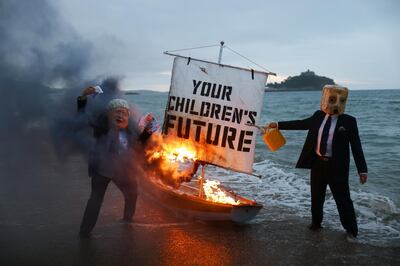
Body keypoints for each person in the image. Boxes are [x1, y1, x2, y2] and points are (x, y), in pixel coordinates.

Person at [267, 85, 367, 238]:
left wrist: (362, 170)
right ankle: (316, 223)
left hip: (337, 167)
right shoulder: (318, 116)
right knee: (316, 195)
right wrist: (279, 124)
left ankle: (351, 231)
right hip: (318, 163)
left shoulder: (349, 121)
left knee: (343, 199)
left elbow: (356, 146)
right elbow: (300, 124)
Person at [77, 86, 154, 238]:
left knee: (132, 193)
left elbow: (138, 145)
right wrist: (83, 98)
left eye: (123, 112)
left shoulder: (130, 130)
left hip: (123, 169)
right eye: (116, 111)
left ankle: (128, 219)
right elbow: (82, 118)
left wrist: (147, 132)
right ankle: (85, 231)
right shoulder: (100, 126)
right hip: (102, 169)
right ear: (108, 114)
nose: (120, 115)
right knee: (95, 199)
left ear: (128, 115)